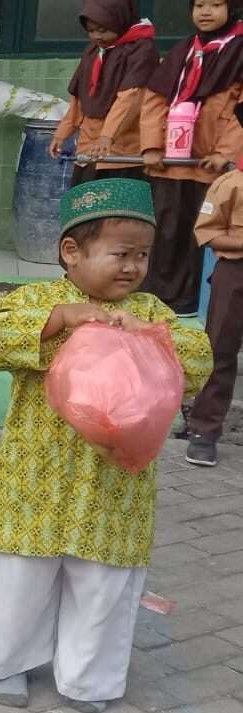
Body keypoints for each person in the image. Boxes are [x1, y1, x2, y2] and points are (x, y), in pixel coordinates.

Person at [0, 178, 212, 713]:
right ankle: (6, 664)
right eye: (120, 254)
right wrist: (62, 320)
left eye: (142, 256)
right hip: (37, 478)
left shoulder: (151, 312)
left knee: (103, 582)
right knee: (21, 576)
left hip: (114, 486)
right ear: (72, 252)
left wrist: (154, 339)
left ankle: (89, 679)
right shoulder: (39, 299)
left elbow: (197, 364)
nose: (132, 267)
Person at [139, 0, 243, 316]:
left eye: (215, 4)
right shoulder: (183, 49)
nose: (205, 11)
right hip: (171, 164)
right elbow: (155, 99)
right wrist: (152, 147)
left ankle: (191, 302)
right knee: (166, 229)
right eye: (198, 4)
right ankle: (157, 296)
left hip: (213, 169)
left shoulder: (239, 50)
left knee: (200, 236)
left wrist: (224, 152)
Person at [183, 104, 243, 466]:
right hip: (234, 275)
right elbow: (206, 233)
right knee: (219, 351)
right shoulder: (230, 183)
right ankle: (204, 431)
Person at [49, 0, 158, 186]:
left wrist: (107, 136)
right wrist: (61, 134)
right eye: (91, 31)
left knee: (117, 210)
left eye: (103, 30)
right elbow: (80, 96)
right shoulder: (94, 51)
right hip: (88, 148)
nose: (97, 36)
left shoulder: (141, 50)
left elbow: (131, 98)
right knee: (85, 209)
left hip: (122, 150)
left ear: (120, 21)